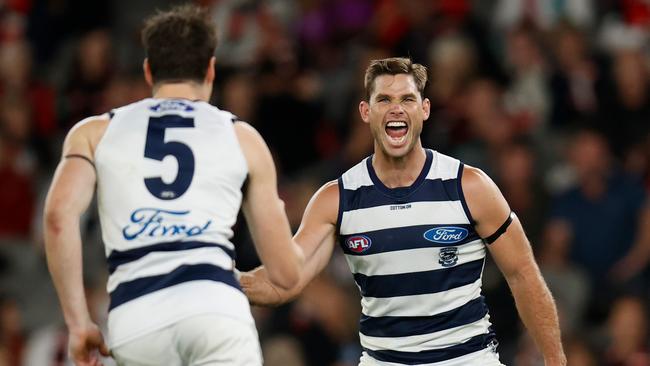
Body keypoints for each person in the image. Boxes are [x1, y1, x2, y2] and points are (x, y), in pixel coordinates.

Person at [241, 57, 566, 365]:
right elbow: (285, 280)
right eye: (384, 100)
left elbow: (523, 273)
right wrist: (213, 274)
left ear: (424, 109)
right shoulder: (337, 199)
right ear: (366, 111)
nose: (396, 108)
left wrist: (554, 359)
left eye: (407, 99)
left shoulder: (469, 187)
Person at [43, 5, 303, 366]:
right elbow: (286, 274)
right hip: (214, 308)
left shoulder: (94, 132)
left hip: (136, 317)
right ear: (210, 69)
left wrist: (78, 323)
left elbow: (57, 217)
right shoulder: (242, 137)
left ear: (149, 71)